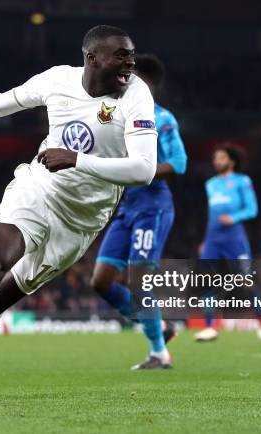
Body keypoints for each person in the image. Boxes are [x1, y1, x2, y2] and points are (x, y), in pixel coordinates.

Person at [0, 25, 159, 405]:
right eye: (121, 55)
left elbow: (144, 169)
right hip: (39, 189)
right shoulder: (57, 80)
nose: (131, 62)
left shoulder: (137, 94)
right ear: (92, 58)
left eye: (132, 54)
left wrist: (77, 160)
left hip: (82, 221)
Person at [90, 54, 187, 370]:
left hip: (153, 207)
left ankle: (159, 352)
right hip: (125, 207)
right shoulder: (114, 113)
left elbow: (179, 163)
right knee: (101, 281)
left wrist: (141, 172)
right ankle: (159, 327)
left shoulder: (163, 118)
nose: (123, 81)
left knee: (139, 281)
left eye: (129, 76)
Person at [195, 145, 261, 341]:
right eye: (215, 158)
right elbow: (212, 214)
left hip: (234, 238)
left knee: (246, 281)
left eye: (221, 157)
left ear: (231, 161)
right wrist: (205, 240)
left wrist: (234, 217)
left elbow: (252, 209)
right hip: (213, 239)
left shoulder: (242, 181)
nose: (216, 161)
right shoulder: (210, 184)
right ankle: (210, 327)